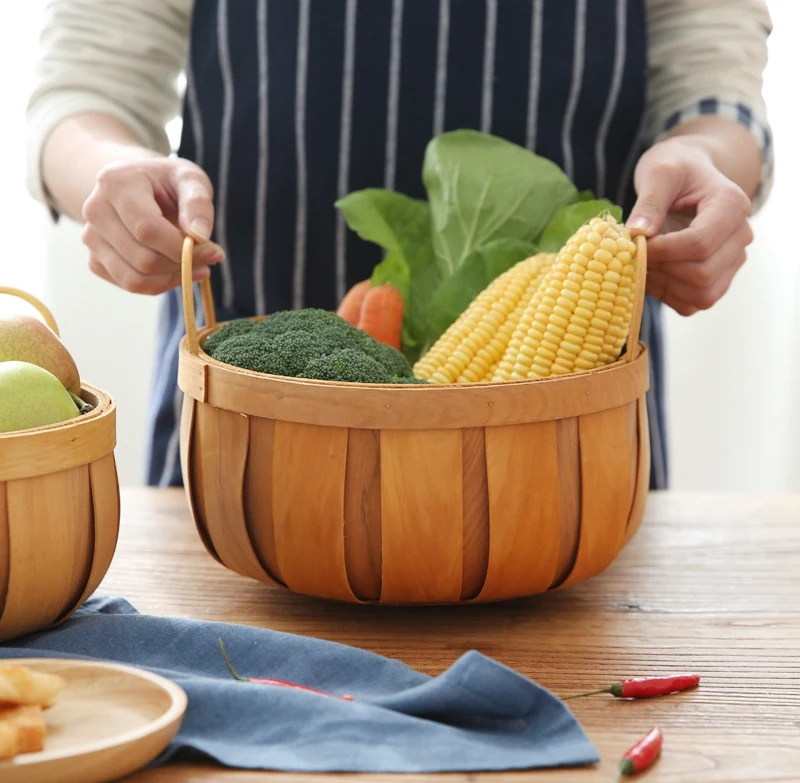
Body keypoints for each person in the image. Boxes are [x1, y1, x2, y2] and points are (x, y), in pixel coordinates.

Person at [27, 0, 772, 490]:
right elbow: (85, 89)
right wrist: (110, 172)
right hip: (242, 455)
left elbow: (714, 89)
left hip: (567, 469)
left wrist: (705, 160)